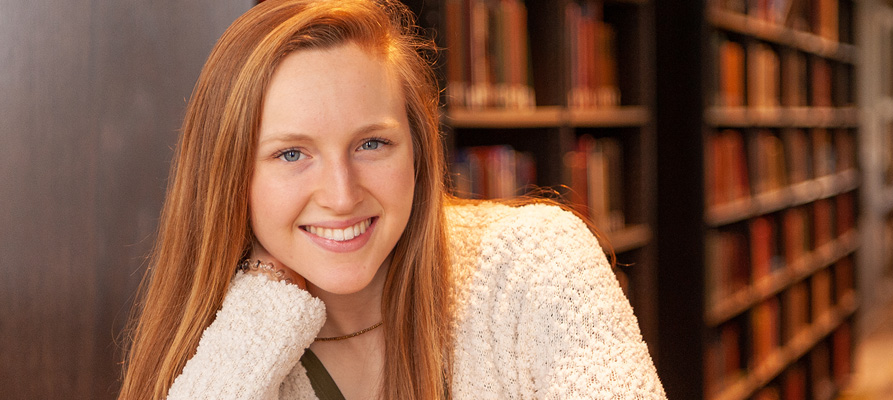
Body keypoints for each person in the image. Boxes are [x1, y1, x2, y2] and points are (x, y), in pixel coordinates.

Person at [119, 0, 665, 398]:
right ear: (228, 176)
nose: (341, 195)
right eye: (291, 154)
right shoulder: (225, 339)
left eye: (372, 143)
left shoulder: (536, 263)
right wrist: (261, 308)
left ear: (418, 151)